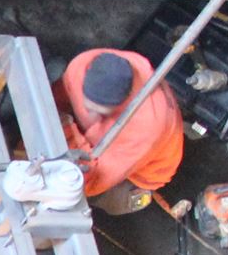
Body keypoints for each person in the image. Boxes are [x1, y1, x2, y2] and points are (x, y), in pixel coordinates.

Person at [57, 48, 184, 214]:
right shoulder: (82, 64)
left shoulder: (143, 129)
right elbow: (56, 99)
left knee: (73, 196)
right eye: (88, 107)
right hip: (100, 137)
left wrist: (66, 129)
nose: (91, 114)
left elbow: (89, 182)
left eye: (101, 112)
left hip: (136, 171)